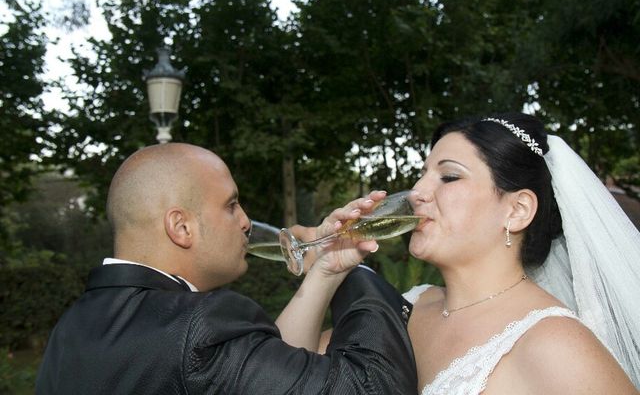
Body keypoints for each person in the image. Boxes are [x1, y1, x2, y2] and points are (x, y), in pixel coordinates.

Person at [35, 143, 417, 394]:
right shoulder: (198, 325)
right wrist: (359, 275)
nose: (247, 221)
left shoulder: (71, 329)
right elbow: (371, 387)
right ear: (181, 227)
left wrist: (330, 268)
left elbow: (268, 373)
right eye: (232, 205)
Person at [403, 112, 640, 394]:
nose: (416, 192)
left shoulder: (556, 346)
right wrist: (334, 267)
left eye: (449, 176)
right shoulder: (406, 307)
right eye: (422, 175)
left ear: (518, 210)